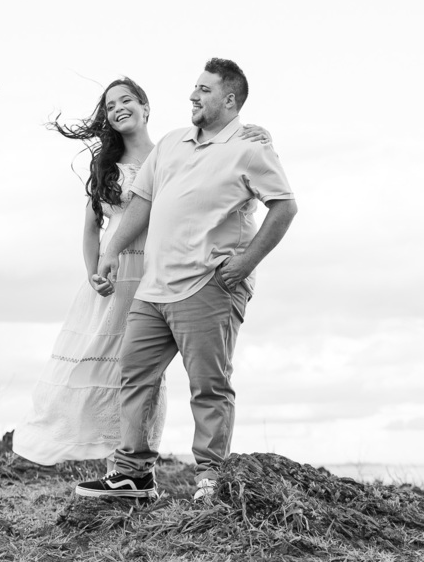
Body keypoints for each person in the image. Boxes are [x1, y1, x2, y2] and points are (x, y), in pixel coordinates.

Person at [12, 76, 271, 466]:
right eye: (110, 104)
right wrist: (94, 270)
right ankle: (99, 451)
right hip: (114, 276)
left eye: (127, 99)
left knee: (157, 373)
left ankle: (151, 463)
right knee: (105, 364)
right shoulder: (107, 167)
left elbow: (218, 150)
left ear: (146, 107)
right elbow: (91, 228)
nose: (119, 108)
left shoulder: (173, 150)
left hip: (159, 272)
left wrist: (256, 132)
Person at [75, 58, 297, 501]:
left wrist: (244, 264)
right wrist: (113, 250)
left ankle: (210, 480)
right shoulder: (173, 142)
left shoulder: (251, 148)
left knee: (209, 387)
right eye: (194, 88)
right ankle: (133, 475)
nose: (193, 96)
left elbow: (285, 206)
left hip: (209, 286)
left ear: (229, 99)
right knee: (134, 376)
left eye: (204, 89)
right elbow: (141, 201)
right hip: (152, 289)